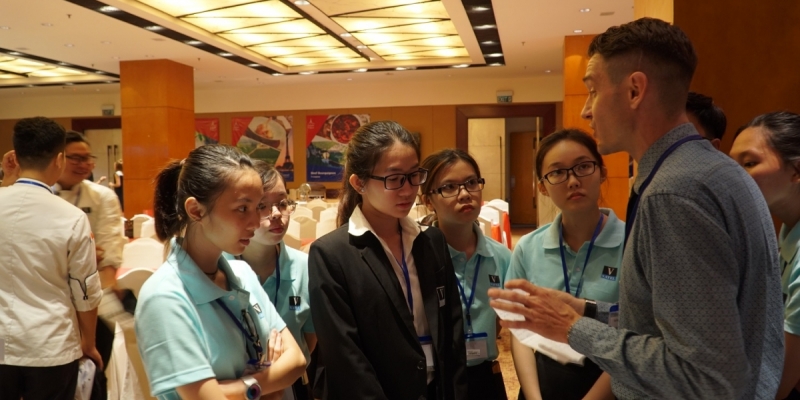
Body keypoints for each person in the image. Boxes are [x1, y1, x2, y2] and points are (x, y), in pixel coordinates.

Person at [489, 17, 784, 400]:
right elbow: (674, 330)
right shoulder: (715, 169)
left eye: (593, 91)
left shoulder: (674, 193)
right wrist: (585, 310)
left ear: (634, 90)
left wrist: (573, 327)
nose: (586, 111)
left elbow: (705, 377)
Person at [308, 120, 467, 400]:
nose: (408, 189)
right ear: (359, 183)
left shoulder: (431, 240)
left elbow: (452, 330)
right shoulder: (332, 254)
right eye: (394, 179)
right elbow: (345, 356)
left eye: (414, 175)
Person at [135, 145, 306, 400]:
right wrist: (267, 385)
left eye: (257, 207)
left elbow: (297, 361)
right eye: (242, 208)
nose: (255, 222)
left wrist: (239, 388)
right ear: (196, 211)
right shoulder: (165, 296)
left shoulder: (242, 273)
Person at [504, 129, 624, 400]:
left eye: (583, 167)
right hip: (542, 383)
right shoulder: (528, 248)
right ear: (542, 187)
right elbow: (520, 330)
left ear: (602, 173)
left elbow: (638, 334)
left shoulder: (633, 243)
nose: (572, 181)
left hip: (610, 383)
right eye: (557, 172)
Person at [0, 117, 102, 400]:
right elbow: (85, 290)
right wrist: (89, 342)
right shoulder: (71, 217)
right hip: (50, 344)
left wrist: (7, 181)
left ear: (16, 155)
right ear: (59, 159)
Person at [418, 148, 510, 400]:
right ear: (428, 200)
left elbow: (503, 319)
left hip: (485, 378)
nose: (465, 194)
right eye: (449, 187)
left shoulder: (501, 257)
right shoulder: (416, 257)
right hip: (435, 381)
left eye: (471, 183)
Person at [226, 161, 317, 400]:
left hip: (293, 386)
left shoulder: (306, 266)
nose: (276, 213)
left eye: (282, 203)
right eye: (263, 206)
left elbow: (309, 338)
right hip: (234, 388)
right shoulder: (220, 269)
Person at [730, 111, 800, 400]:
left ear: (796, 170)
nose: (732, 177)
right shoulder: (784, 234)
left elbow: (775, 385)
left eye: (749, 163)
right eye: (730, 165)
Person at [53, 131, 126, 371]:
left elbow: (109, 252)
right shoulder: (40, 195)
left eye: (87, 158)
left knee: (94, 371)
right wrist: (82, 254)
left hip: (93, 300)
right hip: (49, 302)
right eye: (76, 158)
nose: (83, 164)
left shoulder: (102, 196)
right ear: (57, 158)